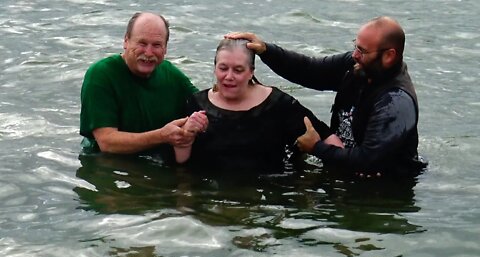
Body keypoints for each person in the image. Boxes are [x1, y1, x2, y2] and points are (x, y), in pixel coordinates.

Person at [226, 16, 427, 177]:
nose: (355, 55)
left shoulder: (396, 101)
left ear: (389, 55)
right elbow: (310, 70)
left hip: (380, 191)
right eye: (355, 46)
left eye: (362, 51)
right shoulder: (358, 66)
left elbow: (368, 160)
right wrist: (267, 51)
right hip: (341, 164)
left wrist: (317, 147)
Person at [174, 38, 343, 172]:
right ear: (215, 68)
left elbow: (325, 136)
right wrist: (186, 137)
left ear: (251, 72)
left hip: (268, 196)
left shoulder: (278, 104)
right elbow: (180, 163)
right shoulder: (196, 104)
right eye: (223, 68)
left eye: (238, 70)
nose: (229, 76)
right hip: (211, 195)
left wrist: (346, 166)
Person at [80, 12, 207, 162]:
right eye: (142, 43)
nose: (148, 52)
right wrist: (162, 136)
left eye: (156, 45)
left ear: (165, 49)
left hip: (156, 161)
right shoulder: (101, 74)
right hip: (106, 163)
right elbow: (107, 143)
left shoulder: (171, 75)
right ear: (126, 41)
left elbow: (209, 105)